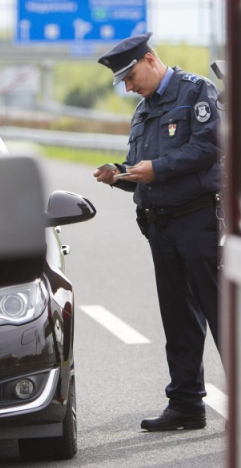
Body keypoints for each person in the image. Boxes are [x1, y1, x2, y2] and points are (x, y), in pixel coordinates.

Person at [93, 31, 223, 432]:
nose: (129, 87)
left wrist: (157, 169)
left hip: (198, 220)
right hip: (161, 226)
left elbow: (210, 146)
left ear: (150, 60)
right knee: (178, 320)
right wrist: (119, 175)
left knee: (221, 313)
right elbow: (142, 169)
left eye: (131, 77)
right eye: (124, 82)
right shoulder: (144, 111)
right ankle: (186, 404)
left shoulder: (196, 92)